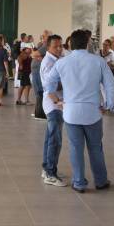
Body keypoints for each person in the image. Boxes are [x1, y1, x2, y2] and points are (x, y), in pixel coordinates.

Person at [46, 30, 114, 193]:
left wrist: (57, 101)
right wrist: (108, 104)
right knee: (95, 148)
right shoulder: (98, 61)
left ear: (70, 44)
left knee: (75, 148)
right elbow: (111, 85)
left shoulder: (62, 62)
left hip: (70, 112)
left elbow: (48, 84)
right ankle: (100, 181)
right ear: (87, 43)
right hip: (93, 112)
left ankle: (78, 182)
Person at [40, 34, 66, 187]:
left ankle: (47, 168)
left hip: (57, 103)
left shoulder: (57, 60)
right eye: (55, 46)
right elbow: (51, 86)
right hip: (53, 104)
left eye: (60, 46)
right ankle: (50, 173)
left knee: (50, 138)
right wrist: (69, 81)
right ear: (48, 47)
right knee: (55, 140)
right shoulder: (48, 62)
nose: (59, 48)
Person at [31, 30, 51, 118]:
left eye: (44, 36)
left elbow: (34, 54)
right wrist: (36, 55)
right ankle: (37, 111)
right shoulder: (42, 45)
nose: (42, 37)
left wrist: (36, 55)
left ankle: (40, 113)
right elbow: (34, 54)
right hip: (35, 71)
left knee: (39, 92)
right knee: (38, 92)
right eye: (42, 36)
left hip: (38, 71)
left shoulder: (46, 45)